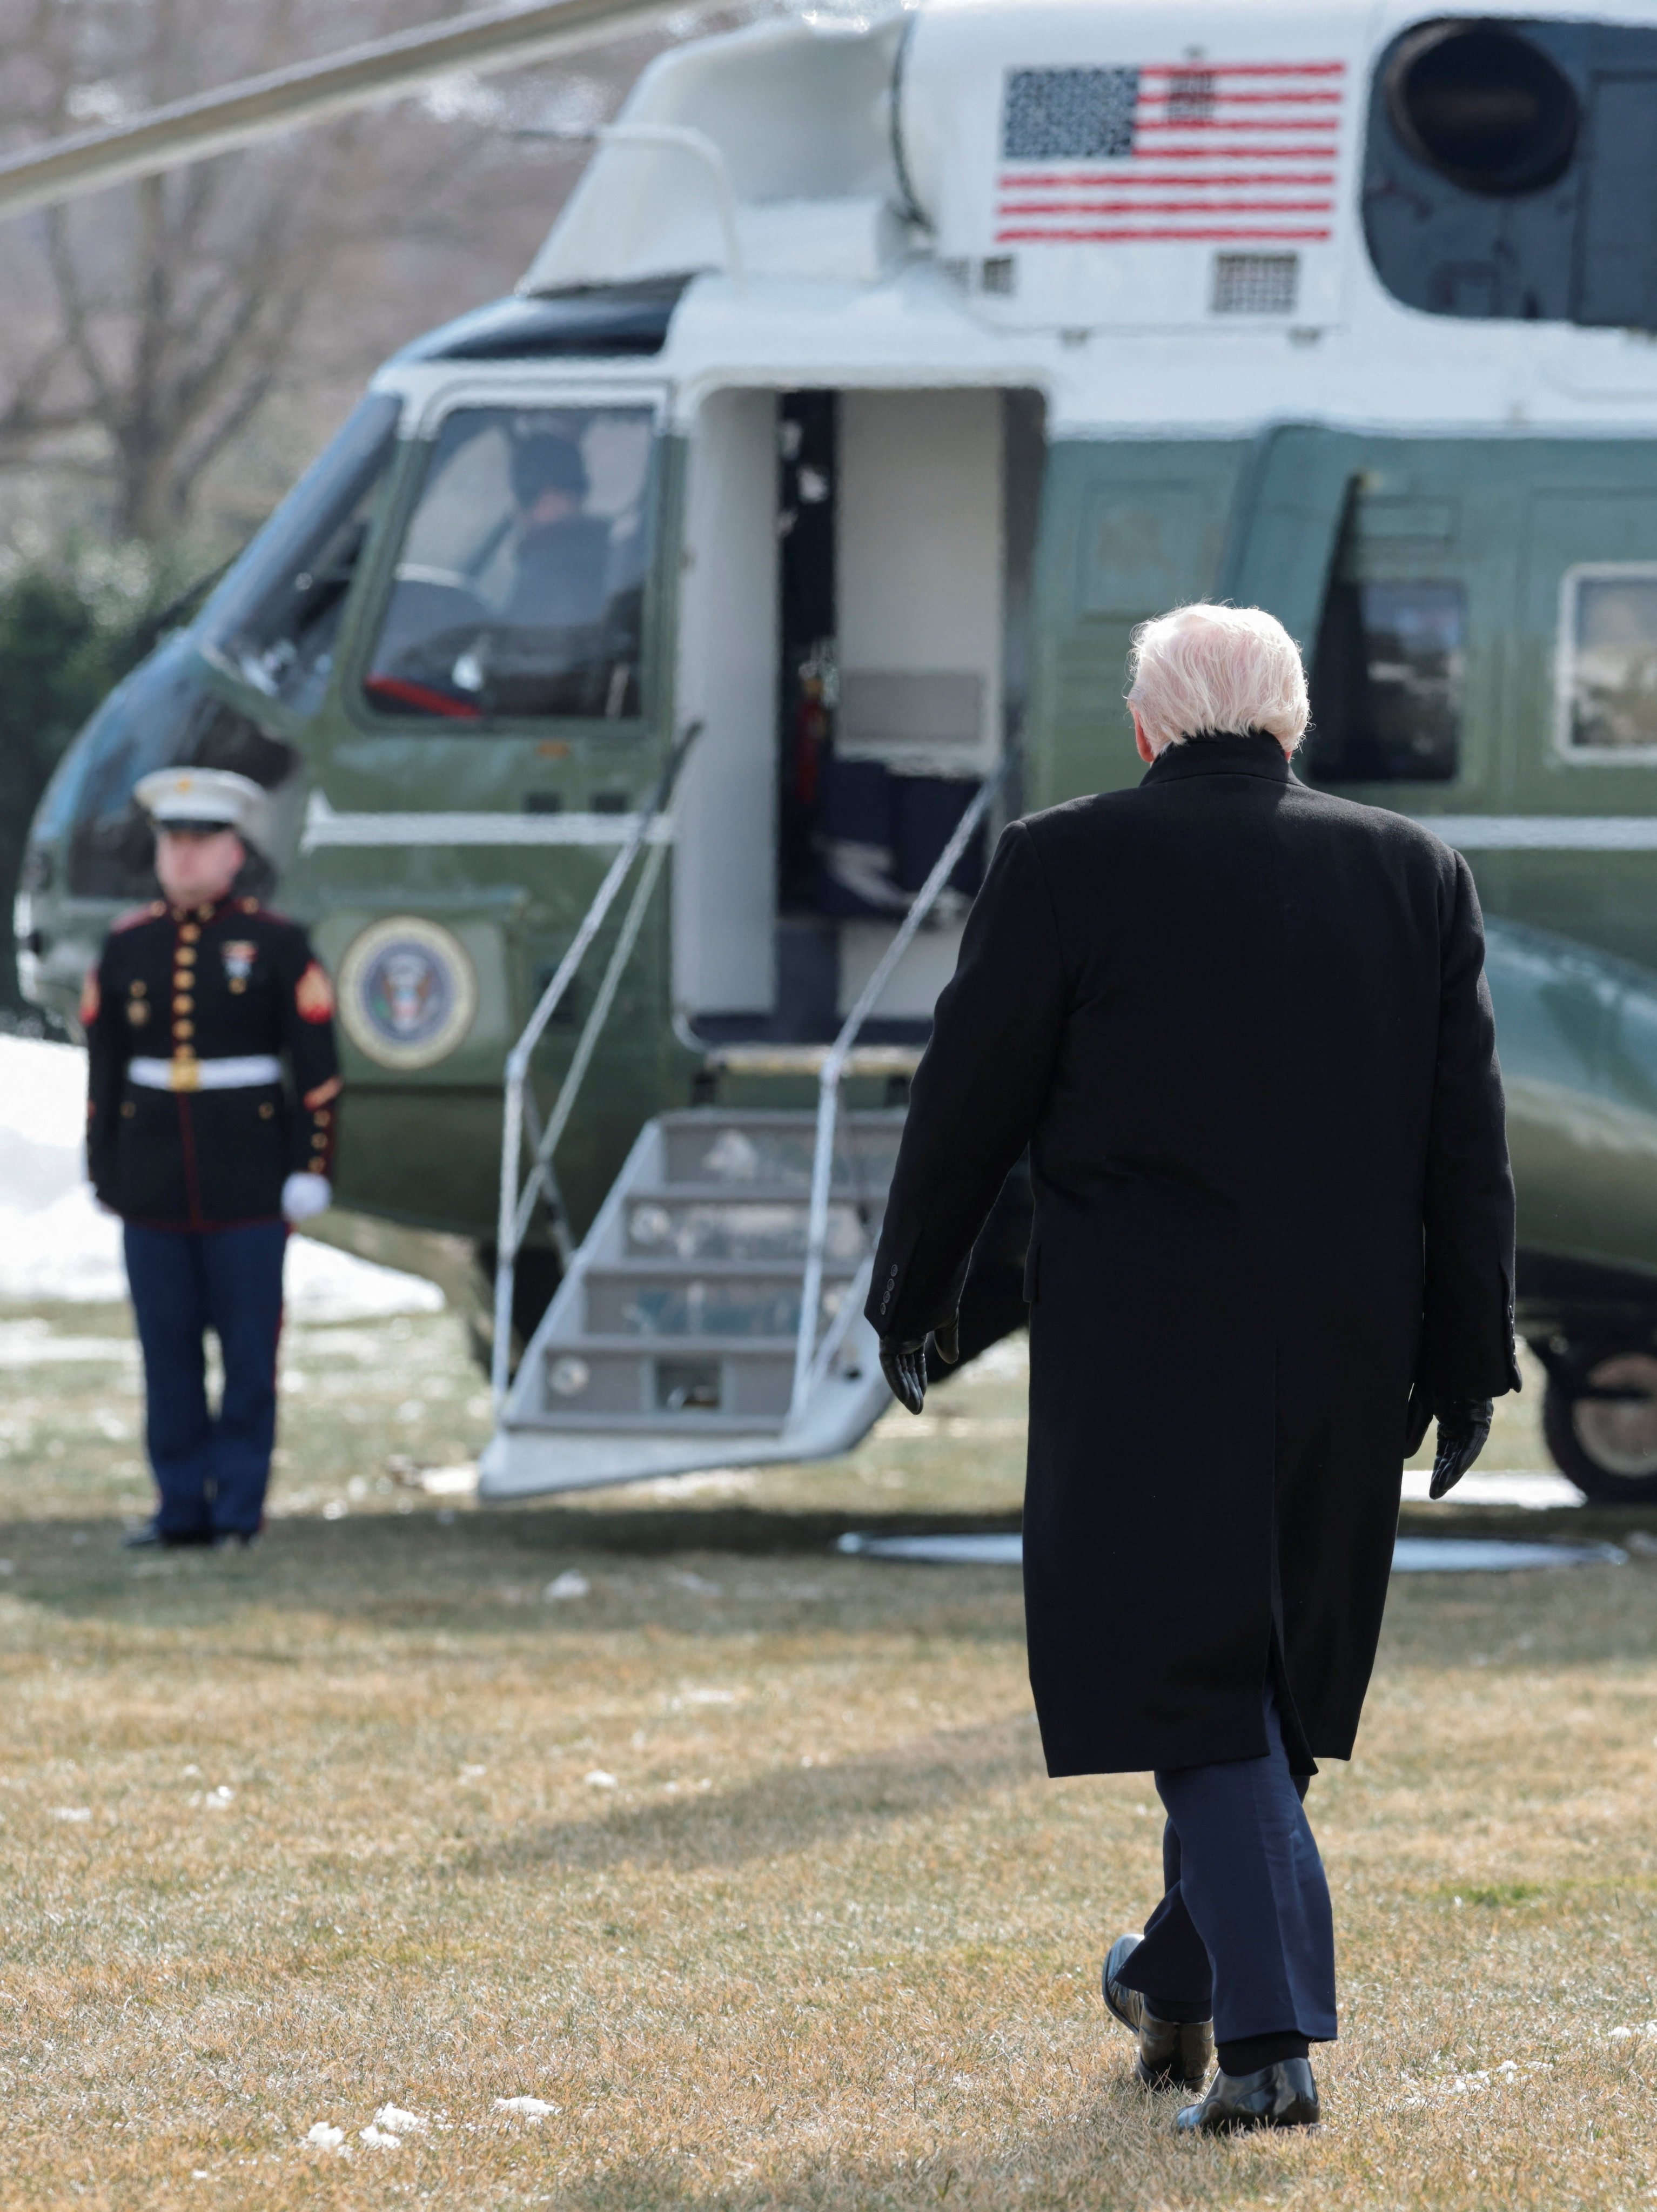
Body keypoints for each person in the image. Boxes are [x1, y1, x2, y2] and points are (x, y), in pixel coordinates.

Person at [867, 603, 1517, 2135]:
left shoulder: (1063, 859)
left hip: (1147, 1342)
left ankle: (1271, 2045)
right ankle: (1174, 1977)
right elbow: (1463, 1149)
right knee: (1261, 1675)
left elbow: (969, 1095)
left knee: (1202, 1681)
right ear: (1291, 723)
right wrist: (1469, 1357)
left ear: (1146, 728)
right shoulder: (1414, 871)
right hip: (1350, 1342)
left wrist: (913, 1293)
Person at [82, 768, 343, 1550]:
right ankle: (179, 1509)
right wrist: (105, 1167)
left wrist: (311, 1167)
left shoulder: (276, 943)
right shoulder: (128, 946)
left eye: (203, 842)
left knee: (249, 1356)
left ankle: (237, 1510)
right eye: (173, 841)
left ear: (235, 853)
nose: (185, 858)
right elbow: (105, 1069)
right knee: (166, 1350)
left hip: (250, 1182)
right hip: (155, 1183)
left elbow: (317, 1071)